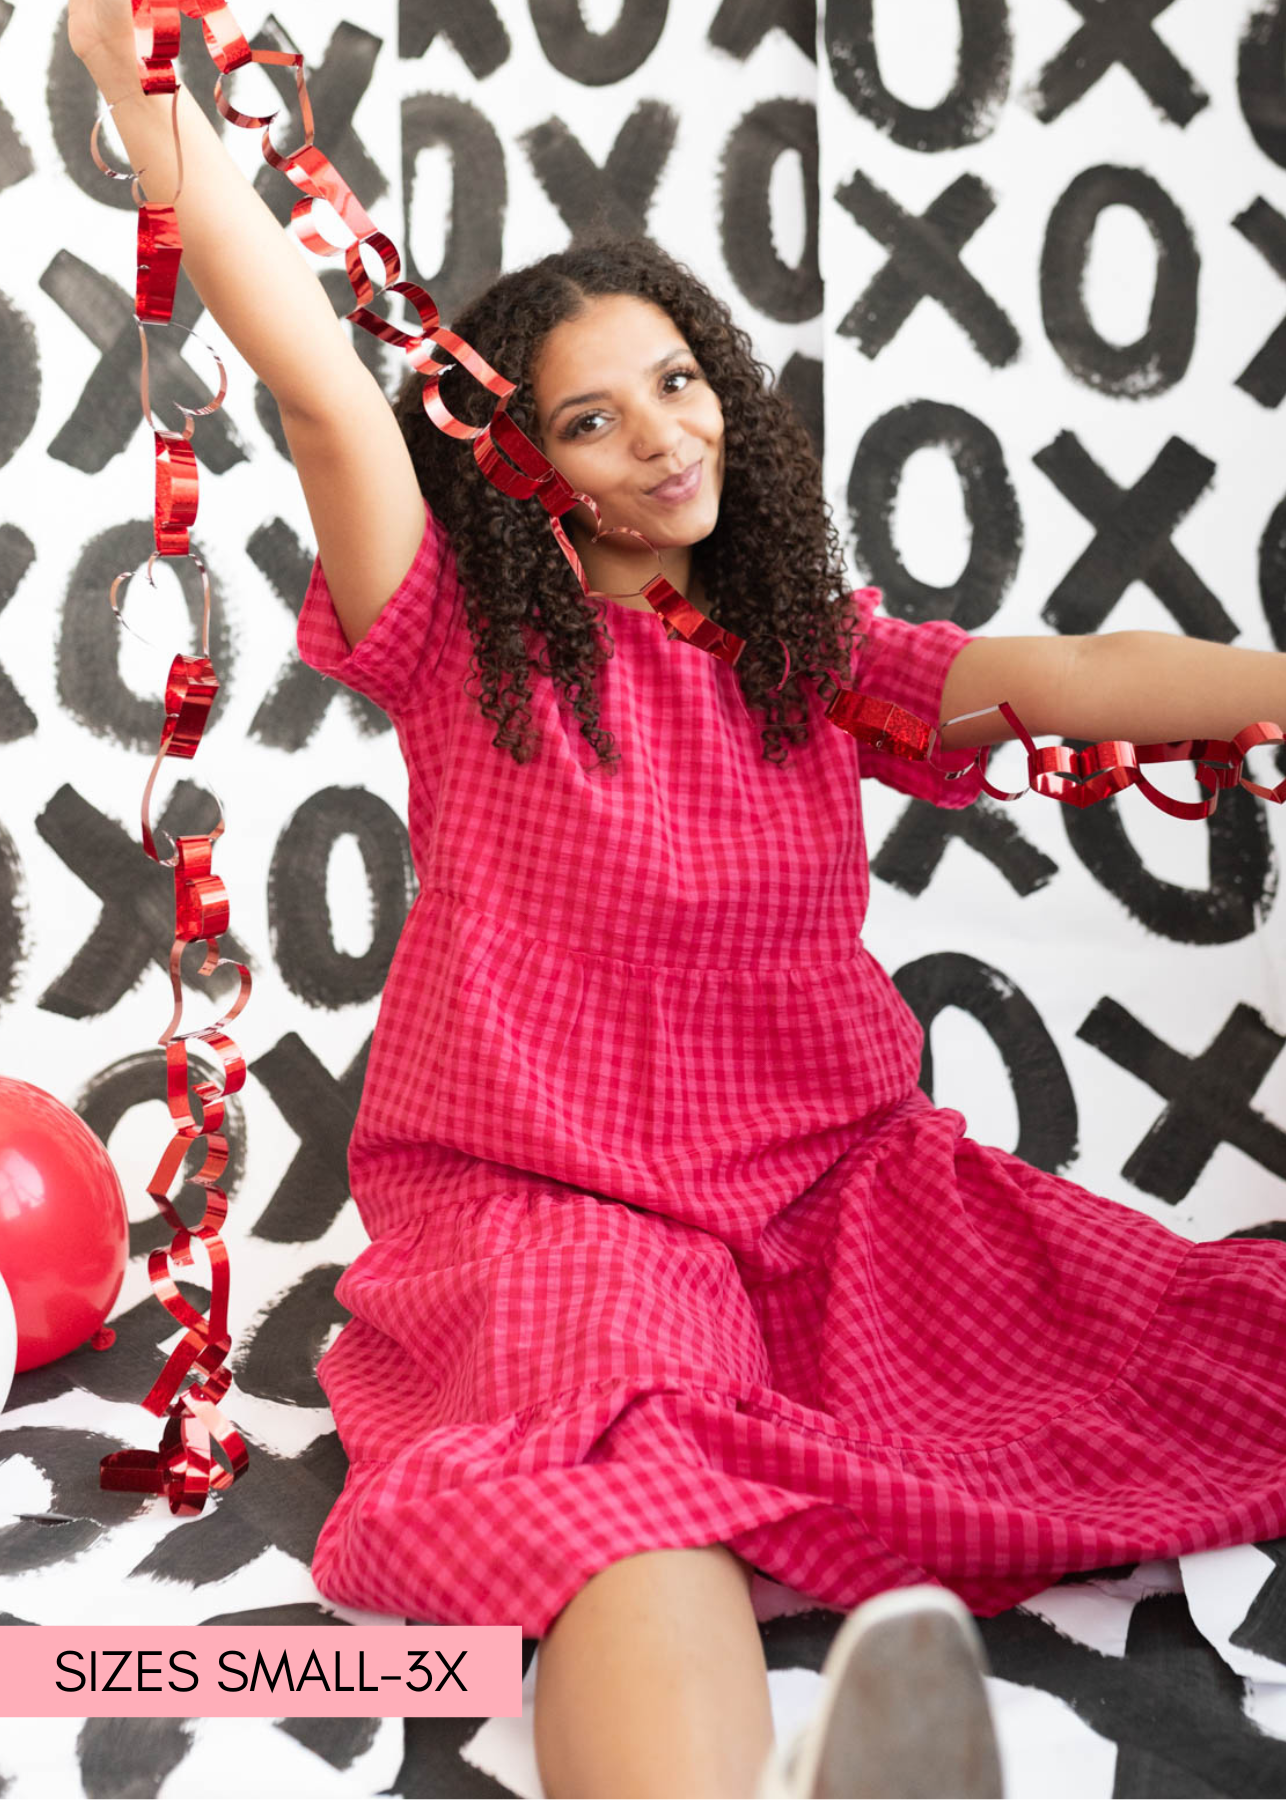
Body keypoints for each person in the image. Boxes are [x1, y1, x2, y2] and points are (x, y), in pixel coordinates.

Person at [70, 5, 1286, 1796]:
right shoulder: (461, 634)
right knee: (627, 1478)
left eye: (679, 381)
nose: (659, 440)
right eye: (585, 417)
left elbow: (1078, 670)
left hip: (831, 1195)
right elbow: (325, 384)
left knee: (1203, 1350)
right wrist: (134, 80)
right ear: (512, 465)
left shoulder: (816, 659)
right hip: (566, 1210)